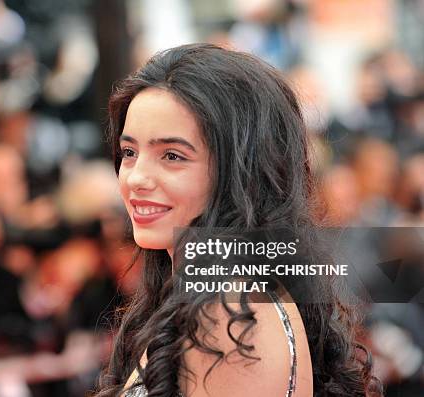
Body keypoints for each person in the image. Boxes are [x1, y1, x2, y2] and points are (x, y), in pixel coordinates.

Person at [94, 44, 382, 396]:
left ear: (240, 171)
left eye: (172, 155)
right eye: (129, 152)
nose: (137, 177)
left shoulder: (229, 314)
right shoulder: (225, 294)